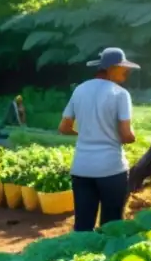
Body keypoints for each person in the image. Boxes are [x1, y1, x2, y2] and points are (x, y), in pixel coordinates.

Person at [59, 48, 137, 232]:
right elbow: (126, 135)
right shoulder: (120, 94)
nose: (127, 72)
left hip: (82, 168)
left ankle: (78, 259)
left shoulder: (80, 89)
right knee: (111, 226)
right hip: (111, 169)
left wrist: (86, 134)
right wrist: (132, 136)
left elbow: (63, 127)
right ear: (112, 68)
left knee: (83, 225)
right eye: (123, 68)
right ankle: (105, 260)